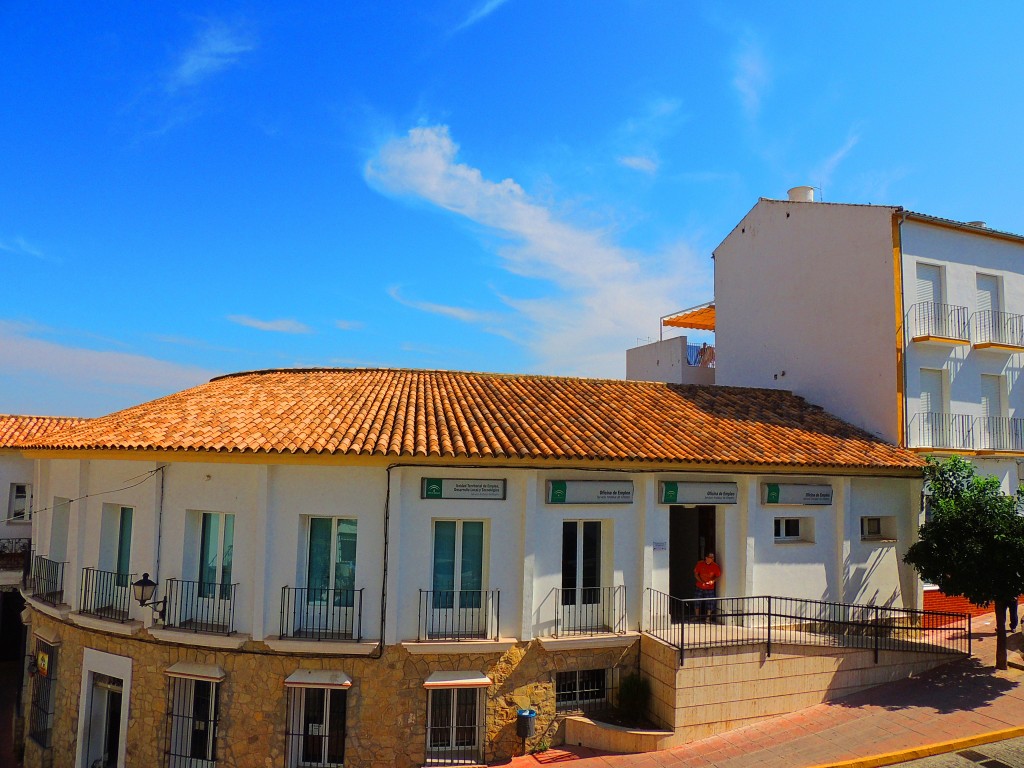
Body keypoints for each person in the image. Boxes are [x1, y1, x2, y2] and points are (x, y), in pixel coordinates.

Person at [693, 551, 721, 622]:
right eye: (710, 557)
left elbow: (718, 576)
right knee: (697, 600)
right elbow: (696, 574)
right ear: (706, 558)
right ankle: (697, 616)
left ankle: (708, 618)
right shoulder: (700, 564)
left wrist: (713, 581)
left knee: (710, 602)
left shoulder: (715, 566)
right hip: (700, 586)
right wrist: (701, 581)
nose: (711, 559)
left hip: (709, 587)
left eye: (712, 558)